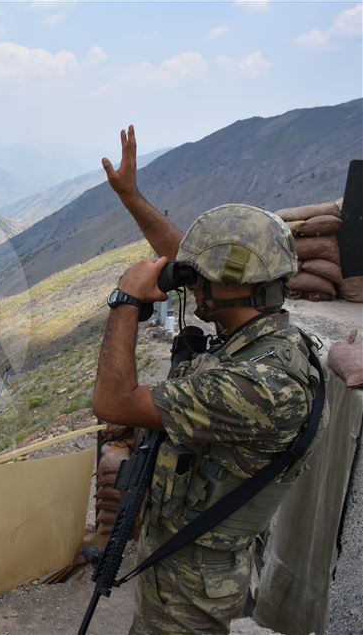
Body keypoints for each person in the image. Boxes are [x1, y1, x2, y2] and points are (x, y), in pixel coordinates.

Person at [91, 126, 328, 633]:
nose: (189, 278)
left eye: (201, 275)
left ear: (236, 287)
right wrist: (132, 198)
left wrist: (125, 301)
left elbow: (113, 402)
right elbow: (199, 264)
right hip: (189, 559)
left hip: (193, 582)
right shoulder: (265, 336)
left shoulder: (258, 387)